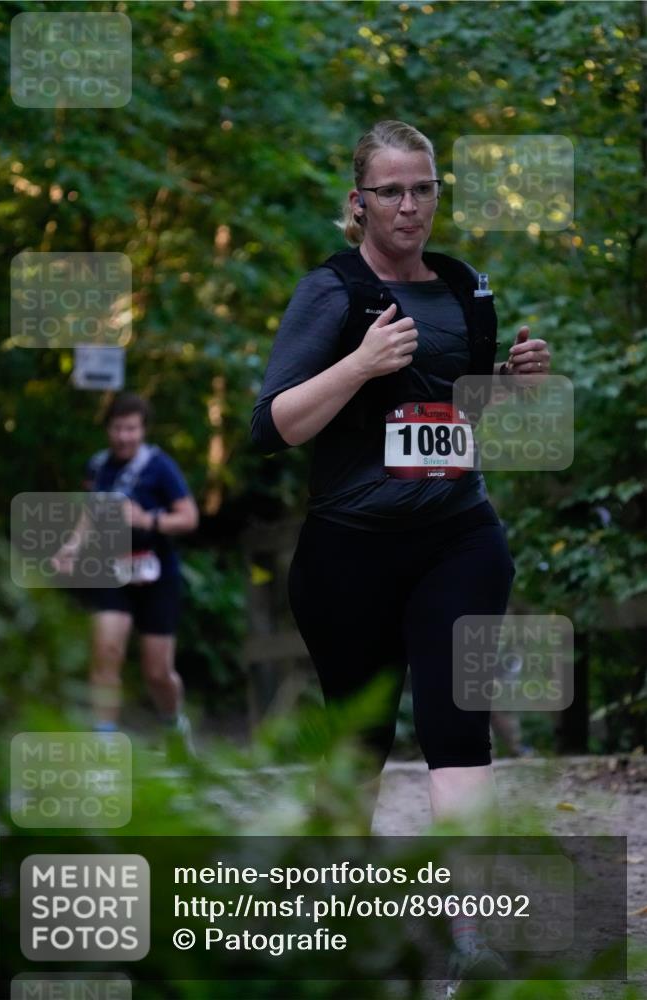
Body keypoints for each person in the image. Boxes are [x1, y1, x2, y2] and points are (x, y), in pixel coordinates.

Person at [251, 120, 552, 993]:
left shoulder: (464, 286)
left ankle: (472, 937)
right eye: (392, 190)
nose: (411, 205)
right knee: (358, 741)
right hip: (349, 552)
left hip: (459, 536)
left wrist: (511, 384)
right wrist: (358, 363)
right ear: (359, 203)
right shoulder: (331, 293)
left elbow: (461, 419)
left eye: (423, 187)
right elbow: (270, 425)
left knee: (456, 728)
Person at [52, 393, 199, 762]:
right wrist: (71, 547)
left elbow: (189, 518)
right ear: (108, 430)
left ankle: (174, 725)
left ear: (143, 429)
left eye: (131, 428)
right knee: (106, 652)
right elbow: (91, 513)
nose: (124, 436)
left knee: (157, 671)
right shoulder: (98, 466)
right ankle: (104, 746)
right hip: (111, 570)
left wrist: (147, 520)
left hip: (156, 574)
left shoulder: (160, 467)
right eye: (118, 428)